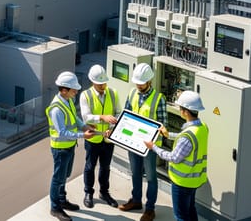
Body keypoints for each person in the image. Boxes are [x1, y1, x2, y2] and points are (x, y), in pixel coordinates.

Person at [144, 90, 208, 221]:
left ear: (185, 111)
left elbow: (173, 157)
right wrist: (167, 134)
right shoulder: (202, 127)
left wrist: (154, 147)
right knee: (190, 209)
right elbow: (185, 139)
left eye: (180, 108)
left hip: (182, 181)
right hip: (194, 180)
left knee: (181, 216)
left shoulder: (188, 136)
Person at [46, 71, 97, 221]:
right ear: (63, 90)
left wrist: (84, 127)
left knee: (64, 176)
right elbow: (62, 132)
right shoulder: (56, 109)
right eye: (73, 89)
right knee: (58, 178)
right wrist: (83, 135)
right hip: (60, 148)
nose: (76, 92)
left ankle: (62, 199)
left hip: (69, 146)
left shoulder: (66, 101)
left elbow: (74, 118)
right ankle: (55, 208)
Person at [120, 63, 166, 221]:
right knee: (135, 173)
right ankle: (136, 200)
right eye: (137, 83)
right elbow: (125, 116)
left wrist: (153, 145)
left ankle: (150, 209)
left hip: (149, 147)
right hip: (133, 144)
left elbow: (162, 125)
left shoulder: (159, 99)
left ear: (149, 81)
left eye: (141, 83)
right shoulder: (132, 93)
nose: (138, 85)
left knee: (151, 177)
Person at [79, 64, 120, 208]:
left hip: (108, 138)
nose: (103, 85)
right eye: (99, 83)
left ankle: (104, 192)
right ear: (92, 81)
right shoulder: (85, 95)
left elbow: (117, 114)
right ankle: (88, 193)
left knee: (105, 167)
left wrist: (112, 128)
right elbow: (86, 117)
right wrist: (102, 117)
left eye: (104, 82)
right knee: (90, 166)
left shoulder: (113, 93)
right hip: (93, 138)